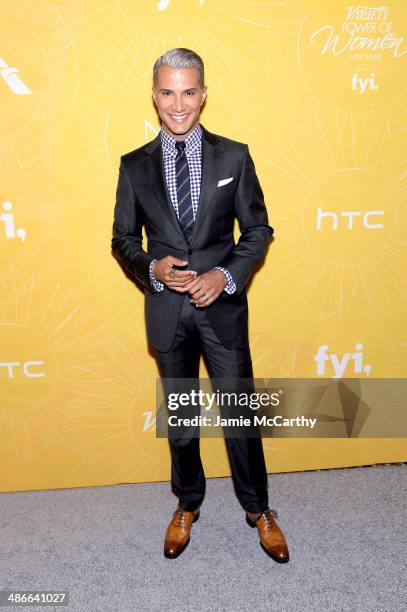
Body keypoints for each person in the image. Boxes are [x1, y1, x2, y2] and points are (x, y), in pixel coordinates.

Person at [111, 48, 289, 563]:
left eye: (189, 91)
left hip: (222, 309)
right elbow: (122, 238)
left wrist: (225, 274)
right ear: (155, 95)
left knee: (240, 416)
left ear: (204, 94)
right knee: (182, 418)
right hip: (167, 310)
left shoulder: (234, 155)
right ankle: (187, 503)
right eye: (168, 92)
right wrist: (151, 268)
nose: (179, 103)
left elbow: (258, 229)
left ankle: (259, 509)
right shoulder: (133, 165)